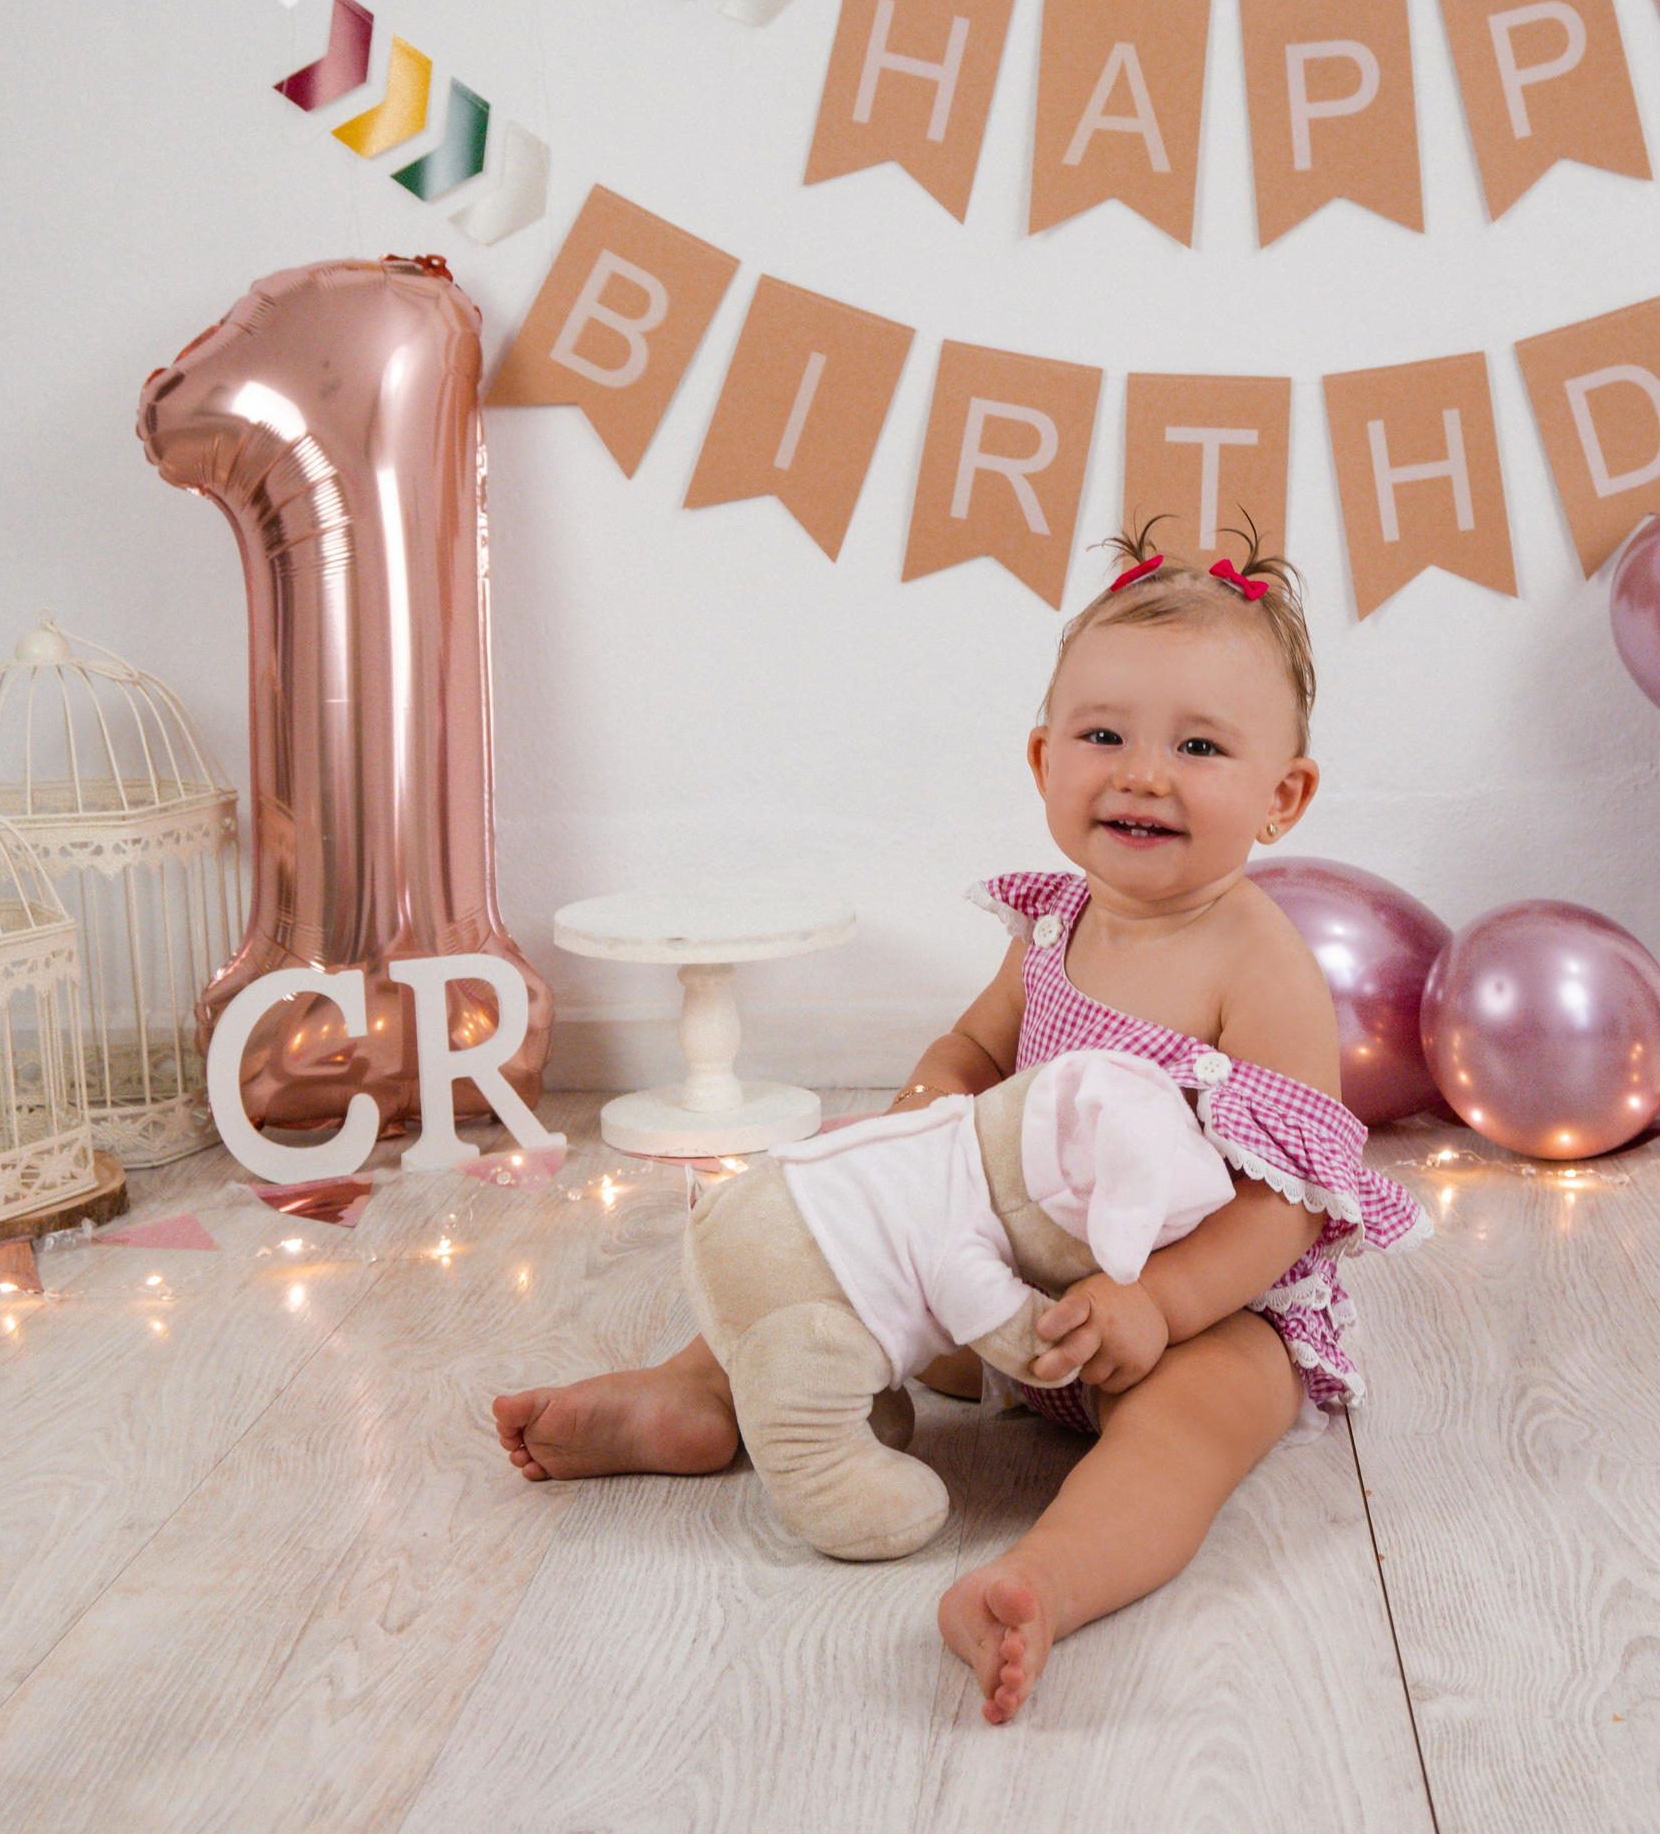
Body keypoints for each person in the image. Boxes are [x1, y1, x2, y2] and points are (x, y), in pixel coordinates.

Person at [494, 524, 1427, 1724]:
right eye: (1104, 736)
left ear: (1281, 796)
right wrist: (907, 1158)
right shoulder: (1055, 923)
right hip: (998, 1271)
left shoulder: (1261, 967)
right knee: (811, 1257)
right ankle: (692, 1391)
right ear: (1043, 758)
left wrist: (1158, 1305)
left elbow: (1286, 1206)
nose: (1142, 772)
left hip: (1198, 1309)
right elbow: (971, 1054)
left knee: (1196, 1426)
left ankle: (1042, 1576)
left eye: (1198, 746)